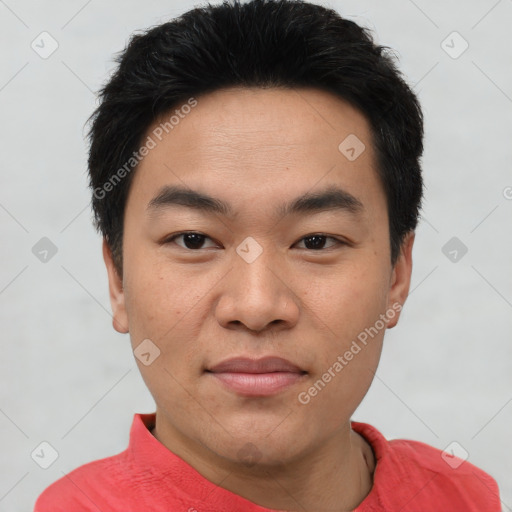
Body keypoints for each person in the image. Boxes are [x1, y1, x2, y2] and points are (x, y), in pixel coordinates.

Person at [34, 0, 501, 510]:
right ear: (118, 278)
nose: (256, 307)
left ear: (397, 274)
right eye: (194, 239)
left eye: (316, 241)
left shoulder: (462, 496)